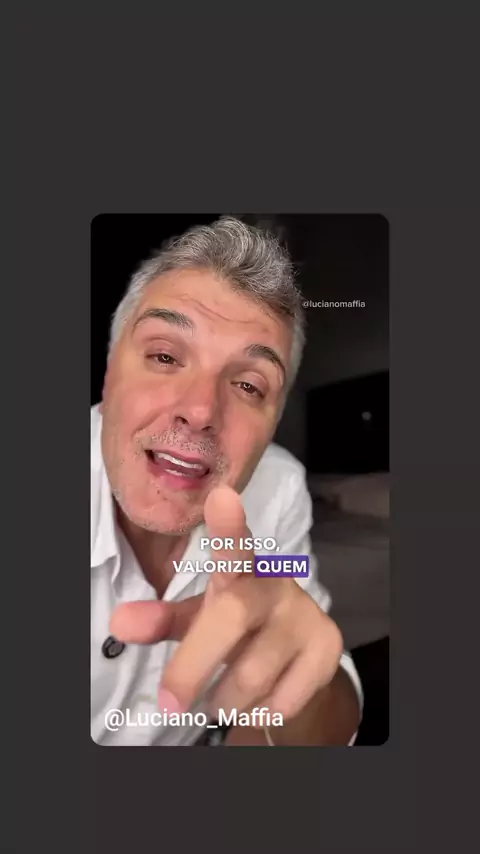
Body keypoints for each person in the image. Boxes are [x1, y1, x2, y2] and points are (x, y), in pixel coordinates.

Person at [91, 216, 363, 746]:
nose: (200, 411)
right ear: (109, 373)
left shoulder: (278, 487)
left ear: (274, 421)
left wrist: (294, 684)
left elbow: (312, 693)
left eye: (248, 385)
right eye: (165, 356)